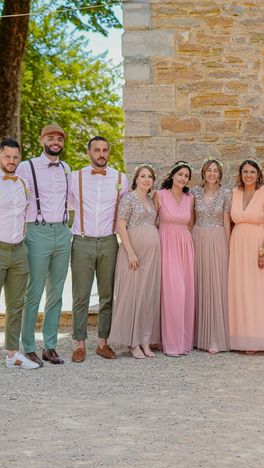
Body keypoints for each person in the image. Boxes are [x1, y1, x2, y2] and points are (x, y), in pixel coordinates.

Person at [17, 124, 72, 366]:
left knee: (57, 293)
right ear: (42, 140)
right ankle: (28, 346)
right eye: (51, 138)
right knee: (35, 291)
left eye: (59, 138)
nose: (55, 141)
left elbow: (70, 202)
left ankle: (50, 346)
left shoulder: (67, 168)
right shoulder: (26, 167)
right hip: (37, 231)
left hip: (62, 231)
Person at [69, 136, 128, 363]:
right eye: (96, 150)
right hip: (82, 241)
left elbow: (125, 211)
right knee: (80, 295)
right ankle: (80, 344)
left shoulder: (121, 178)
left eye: (105, 150)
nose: (101, 154)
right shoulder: (76, 177)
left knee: (107, 295)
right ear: (89, 153)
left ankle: (103, 343)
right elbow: (67, 203)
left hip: (109, 241)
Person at [108, 165, 161, 359]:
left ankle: (145, 340)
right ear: (136, 179)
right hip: (134, 254)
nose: (146, 179)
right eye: (143, 176)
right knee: (134, 296)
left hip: (152, 256)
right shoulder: (128, 198)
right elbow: (121, 226)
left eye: (150, 177)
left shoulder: (149, 200)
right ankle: (133, 342)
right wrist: (130, 253)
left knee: (147, 296)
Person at [228, 159, 264, 352]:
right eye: (245, 172)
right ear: (240, 174)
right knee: (239, 289)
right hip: (238, 244)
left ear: (258, 174)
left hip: (258, 243)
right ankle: (240, 337)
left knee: (258, 289)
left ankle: (259, 337)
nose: (248, 175)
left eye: (252, 172)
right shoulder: (233, 193)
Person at [0, 139, 39, 369]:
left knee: (16, 306)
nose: (12, 161)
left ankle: (12, 354)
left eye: (15, 157)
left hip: (19, 250)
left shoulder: (23, 183)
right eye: (7, 157)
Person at [154, 161, 195, 357]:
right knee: (172, 293)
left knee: (185, 292)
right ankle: (170, 343)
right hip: (166, 244)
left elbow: (191, 223)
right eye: (180, 174)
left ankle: (184, 342)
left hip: (185, 246)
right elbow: (152, 220)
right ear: (172, 175)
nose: (183, 178)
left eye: (186, 176)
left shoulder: (190, 198)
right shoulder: (159, 195)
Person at [191, 158, 232, 354]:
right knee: (199, 285)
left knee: (217, 286)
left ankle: (216, 336)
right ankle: (198, 336)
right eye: (209, 170)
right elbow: (190, 221)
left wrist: (229, 245)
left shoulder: (226, 193)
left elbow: (226, 221)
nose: (212, 173)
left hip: (217, 239)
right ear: (203, 173)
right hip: (198, 238)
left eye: (216, 170)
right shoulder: (194, 193)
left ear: (220, 174)